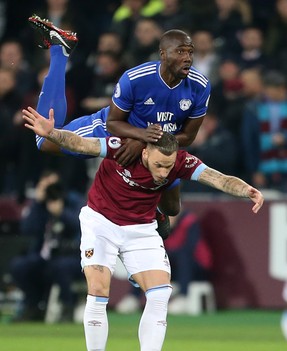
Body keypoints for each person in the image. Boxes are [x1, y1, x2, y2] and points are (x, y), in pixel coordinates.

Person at [22, 105, 264, 351]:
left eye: (168, 165)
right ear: (146, 152)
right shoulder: (122, 148)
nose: (164, 172)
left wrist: (247, 190)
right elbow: (82, 144)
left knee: (160, 294)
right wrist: (52, 133)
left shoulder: (180, 162)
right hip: (101, 221)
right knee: (99, 290)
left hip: (141, 227)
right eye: (159, 164)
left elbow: (217, 178)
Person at [27, 15, 211, 232]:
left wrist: (144, 143)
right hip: (113, 129)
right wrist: (140, 137)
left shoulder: (200, 85)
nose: (188, 58)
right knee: (45, 139)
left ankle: (157, 210)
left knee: (172, 208)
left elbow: (188, 137)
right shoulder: (136, 78)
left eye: (190, 52)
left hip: (159, 146)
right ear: (163, 54)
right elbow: (114, 123)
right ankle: (60, 50)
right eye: (180, 52)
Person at [9, 170, 84, 322]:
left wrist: (61, 212)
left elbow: (79, 226)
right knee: (20, 266)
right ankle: (33, 306)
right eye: (46, 186)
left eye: (53, 185)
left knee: (60, 267)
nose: (50, 190)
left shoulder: (73, 200)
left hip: (72, 255)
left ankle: (67, 308)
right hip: (45, 256)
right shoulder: (40, 205)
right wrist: (37, 204)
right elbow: (27, 229)